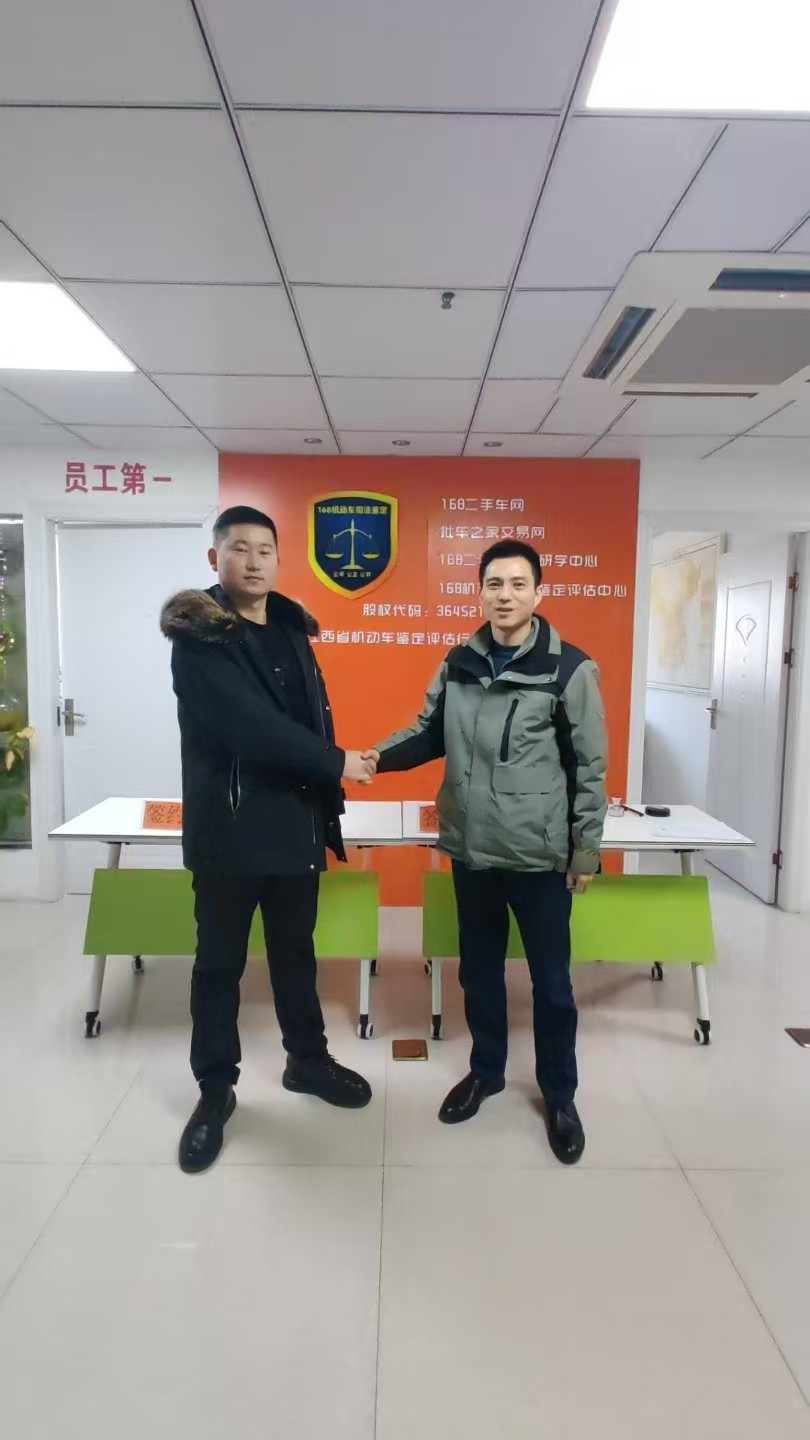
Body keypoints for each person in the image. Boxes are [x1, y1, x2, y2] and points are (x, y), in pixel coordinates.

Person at [368, 539, 607, 1164]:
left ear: (538, 593)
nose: (505, 595)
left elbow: (589, 766)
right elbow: (428, 734)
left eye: (518, 584)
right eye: (494, 584)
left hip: (538, 856)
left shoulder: (569, 670)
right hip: (473, 851)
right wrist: (373, 759)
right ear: (480, 592)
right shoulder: (460, 663)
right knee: (478, 972)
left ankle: (560, 1096)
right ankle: (487, 1072)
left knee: (552, 985)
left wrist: (585, 849)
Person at [161, 505, 376, 1174]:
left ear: (278, 560)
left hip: (294, 826)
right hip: (230, 831)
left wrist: (327, 792)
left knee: (295, 956)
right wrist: (336, 762)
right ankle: (215, 1089)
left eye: (264, 550)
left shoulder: (289, 628)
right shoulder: (200, 641)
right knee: (218, 966)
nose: (253, 561)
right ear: (215, 559)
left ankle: (306, 1060)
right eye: (239, 548)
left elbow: (310, 717)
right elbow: (249, 727)